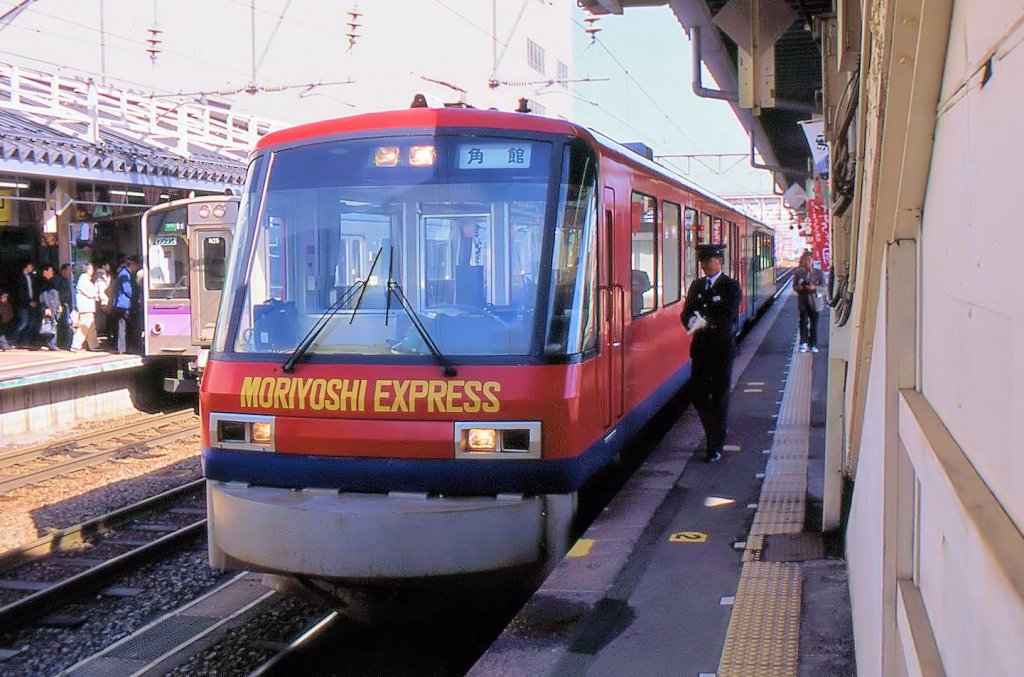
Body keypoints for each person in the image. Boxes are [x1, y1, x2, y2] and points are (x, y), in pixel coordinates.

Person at [680, 243, 742, 463]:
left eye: (709, 261)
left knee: (719, 397)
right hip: (700, 350)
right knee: (698, 396)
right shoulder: (696, 285)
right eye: (702, 262)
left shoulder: (731, 286)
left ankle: (714, 445)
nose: (705, 265)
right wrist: (689, 321)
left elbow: (728, 316)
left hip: (722, 349)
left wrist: (706, 323)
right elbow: (686, 312)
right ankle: (714, 433)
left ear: (720, 262)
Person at [793, 251, 825, 353]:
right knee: (803, 322)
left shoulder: (819, 273)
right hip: (803, 301)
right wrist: (801, 287)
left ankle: (813, 344)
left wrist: (814, 288)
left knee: (814, 324)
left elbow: (824, 287)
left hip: (815, 302)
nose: (807, 262)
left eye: (809, 260)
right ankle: (804, 343)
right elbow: (794, 286)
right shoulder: (798, 273)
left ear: (812, 261)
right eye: (805, 260)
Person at [113, 256, 140, 354]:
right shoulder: (125, 275)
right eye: (136, 266)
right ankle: (127, 347)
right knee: (128, 325)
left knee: (122, 325)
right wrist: (136, 297)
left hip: (120, 304)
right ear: (132, 265)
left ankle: (121, 348)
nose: (136, 268)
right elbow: (127, 290)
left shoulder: (123, 273)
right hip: (125, 304)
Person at [72, 262, 100, 352]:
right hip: (85, 307)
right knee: (83, 327)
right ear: (88, 270)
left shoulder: (86, 280)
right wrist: (96, 293)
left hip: (88, 307)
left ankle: (94, 345)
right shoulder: (83, 280)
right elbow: (91, 293)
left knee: (91, 327)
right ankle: (76, 345)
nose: (92, 271)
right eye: (91, 269)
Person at [12, 261, 37, 347]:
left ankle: (23, 341)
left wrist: (33, 300)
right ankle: (14, 339)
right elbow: (20, 292)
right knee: (23, 322)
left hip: (31, 303)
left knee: (30, 323)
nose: (32, 268)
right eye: (30, 266)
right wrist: (28, 301)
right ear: (26, 266)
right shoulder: (20, 278)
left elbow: (33, 290)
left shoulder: (31, 277)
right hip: (23, 304)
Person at [36, 265, 60, 351]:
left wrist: (58, 305)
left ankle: (51, 343)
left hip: (53, 305)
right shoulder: (42, 282)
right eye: (50, 270)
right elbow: (43, 295)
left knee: (52, 324)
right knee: (50, 324)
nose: (52, 272)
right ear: (45, 272)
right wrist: (46, 307)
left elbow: (55, 295)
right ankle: (51, 344)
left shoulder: (51, 281)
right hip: (48, 306)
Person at [55, 263, 75, 350]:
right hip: (61, 305)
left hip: (66, 305)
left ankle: (63, 342)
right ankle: (61, 343)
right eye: (68, 270)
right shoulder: (58, 279)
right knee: (62, 324)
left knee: (64, 324)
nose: (70, 272)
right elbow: (57, 293)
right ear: (63, 270)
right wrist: (59, 304)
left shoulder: (65, 280)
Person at [94, 262, 112, 343]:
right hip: (104, 300)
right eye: (107, 265)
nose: (109, 266)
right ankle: (106, 334)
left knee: (105, 318)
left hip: (103, 299)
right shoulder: (100, 277)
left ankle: (106, 334)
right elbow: (102, 290)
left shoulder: (103, 276)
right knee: (107, 317)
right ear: (104, 265)